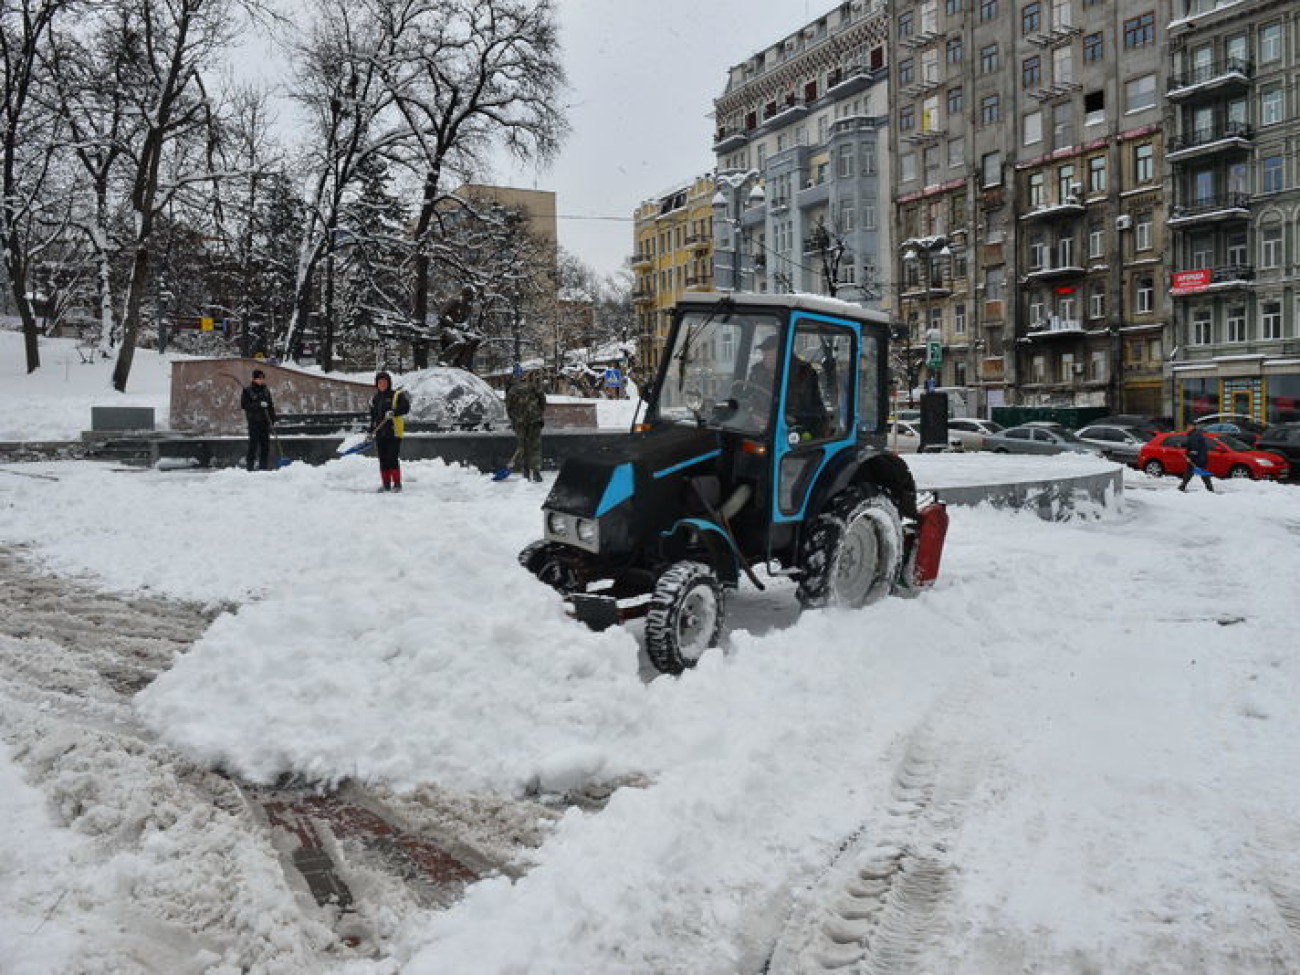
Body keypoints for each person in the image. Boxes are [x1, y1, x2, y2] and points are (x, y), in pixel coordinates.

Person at [743, 334, 827, 437]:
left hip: (795, 430)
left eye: (770, 353)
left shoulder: (804, 374)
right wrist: (752, 414)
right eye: (764, 353)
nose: (765, 357)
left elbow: (815, 412)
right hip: (761, 428)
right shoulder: (757, 372)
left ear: (783, 354)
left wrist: (792, 418)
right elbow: (747, 397)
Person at [500, 366, 547, 482]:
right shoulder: (533, 386)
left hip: (520, 422)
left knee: (523, 447)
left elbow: (508, 408)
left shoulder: (511, 390)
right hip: (534, 420)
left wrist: (514, 420)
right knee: (535, 446)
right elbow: (543, 399)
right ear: (523, 375)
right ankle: (536, 472)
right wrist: (539, 412)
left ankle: (526, 473)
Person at [369, 371, 412, 492]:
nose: (382, 384)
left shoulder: (397, 395)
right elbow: (373, 417)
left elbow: (405, 407)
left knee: (392, 457)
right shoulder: (374, 399)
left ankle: (397, 484)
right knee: (382, 459)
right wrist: (370, 431)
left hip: (394, 432)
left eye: (384, 382)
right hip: (380, 433)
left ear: (389, 383)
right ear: (376, 384)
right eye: (380, 382)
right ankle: (386, 484)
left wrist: (394, 412)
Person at [239, 368, 277, 471]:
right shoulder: (248, 390)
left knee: (265, 446)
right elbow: (245, 405)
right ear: (254, 379)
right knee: (253, 445)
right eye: (259, 378)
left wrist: (272, 420)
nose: (261, 380)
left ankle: (263, 467)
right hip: (254, 422)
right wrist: (258, 405)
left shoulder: (266, 391)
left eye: (262, 378)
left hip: (265, 422)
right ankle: (250, 467)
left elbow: (270, 406)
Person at [439, 286, 481, 370]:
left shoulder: (468, 307)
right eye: (470, 296)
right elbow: (442, 315)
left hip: (459, 330)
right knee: (460, 342)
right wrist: (452, 324)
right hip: (447, 328)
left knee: (474, 340)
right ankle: (443, 359)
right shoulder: (454, 301)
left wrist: (472, 330)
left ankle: (461, 363)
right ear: (466, 295)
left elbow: (466, 321)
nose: (471, 299)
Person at [1179, 424, 1215, 493]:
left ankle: (1210, 489)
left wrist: (1190, 457)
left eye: (1189, 426)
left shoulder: (1194, 436)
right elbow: (1191, 444)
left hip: (1198, 458)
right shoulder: (1194, 435)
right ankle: (1182, 486)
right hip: (1201, 457)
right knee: (1190, 473)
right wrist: (1182, 445)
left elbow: (1195, 448)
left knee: (1200, 473)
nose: (1187, 428)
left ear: (1192, 427)